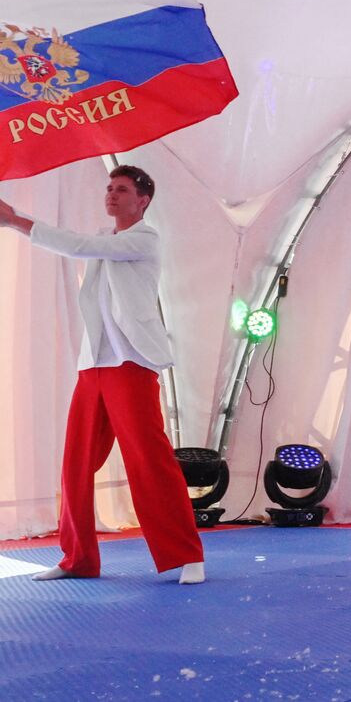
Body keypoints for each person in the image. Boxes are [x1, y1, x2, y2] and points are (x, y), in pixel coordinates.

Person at [0, 166, 204, 584]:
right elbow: (88, 260)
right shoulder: (104, 238)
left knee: (148, 458)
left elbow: (78, 246)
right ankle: (77, 558)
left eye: (122, 189)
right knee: (75, 462)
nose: (111, 194)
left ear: (143, 200)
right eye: (109, 188)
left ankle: (187, 555)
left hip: (131, 364)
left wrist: (16, 220)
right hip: (93, 365)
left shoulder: (145, 238)